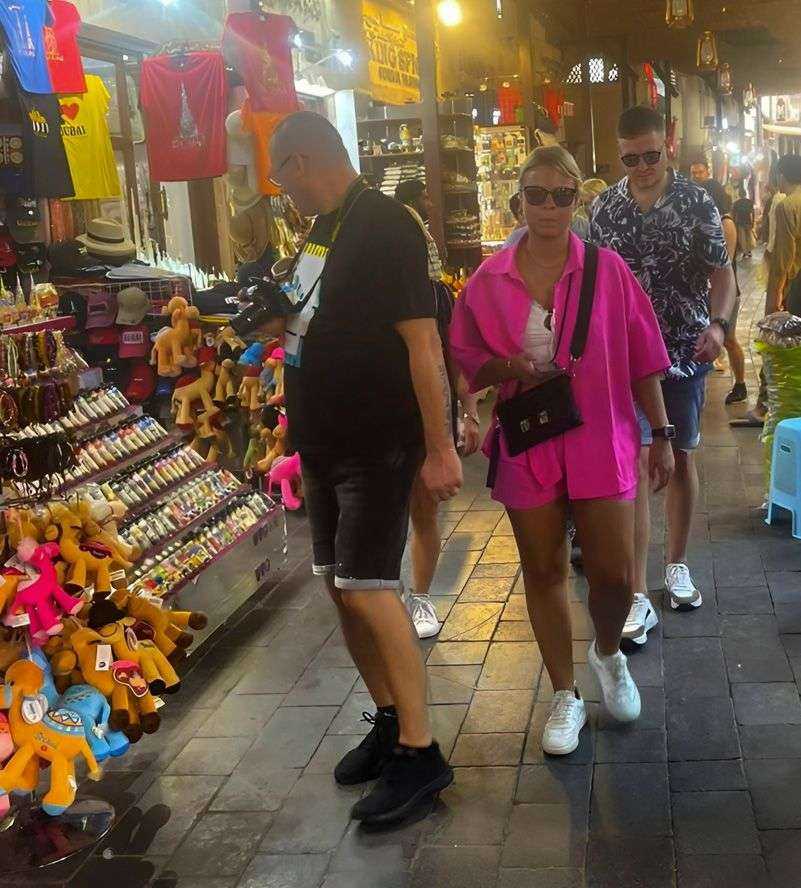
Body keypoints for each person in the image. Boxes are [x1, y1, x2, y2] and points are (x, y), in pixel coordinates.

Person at [267, 112, 462, 825]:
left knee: (371, 589)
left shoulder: (384, 223)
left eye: (277, 172)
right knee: (339, 586)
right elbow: (312, 316)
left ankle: (421, 752)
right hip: (321, 437)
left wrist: (438, 448)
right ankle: (388, 719)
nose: (276, 188)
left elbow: (422, 343)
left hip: (375, 440)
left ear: (299, 160)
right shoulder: (326, 225)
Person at [450, 145, 673, 755]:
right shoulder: (490, 279)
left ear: (580, 199)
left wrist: (662, 433)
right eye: (537, 194)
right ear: (518, 199)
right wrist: (505, 366)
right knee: (543, 568)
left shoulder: (607, 271)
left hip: (601, 433)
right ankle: (563, 693)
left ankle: (606, 654)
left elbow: (644, 355)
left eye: (563, 195)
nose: (549, 206)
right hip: (530, 437)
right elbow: (466, 358)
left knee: (614, 575)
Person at [589, 106, 735, 628]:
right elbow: (593, 285)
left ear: (667, 146)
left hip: (681, 352)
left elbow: (724, 275)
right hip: (623, 359)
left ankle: (676, 564)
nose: (643, 166)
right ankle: (634, 590)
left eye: (652, 155)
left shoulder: (698, 203)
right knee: (630, 467)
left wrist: (718, 326)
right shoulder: (604, 209)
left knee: (679, 460)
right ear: (620, 156)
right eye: (632, 159)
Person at [394, 179, 481, 639]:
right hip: (381, 417)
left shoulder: (436, 297)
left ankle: (421, 595)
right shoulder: (367, 299)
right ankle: (394, 593)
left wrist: (468, 413)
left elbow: (456, 357)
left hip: (427, 417)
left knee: (423, 510)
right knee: (392, 512)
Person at [702, 179, 747, 405]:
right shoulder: (707, 220)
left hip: (726, 291)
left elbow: (724, 262)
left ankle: (740, 384)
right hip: (709, 291)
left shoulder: (725, 222)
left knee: (729, 339)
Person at [732, 192, 756, 258]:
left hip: (740, 222)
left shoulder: (737, 203)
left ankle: (745, 252)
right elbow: (753, 213)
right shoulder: (749, 202)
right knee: (748, 237)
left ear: (739, 194)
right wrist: (753, 222)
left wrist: (733, 222)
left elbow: (734, 214)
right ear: (745, 194)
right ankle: (749, 251)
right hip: (748, 222)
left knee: (742, 238)